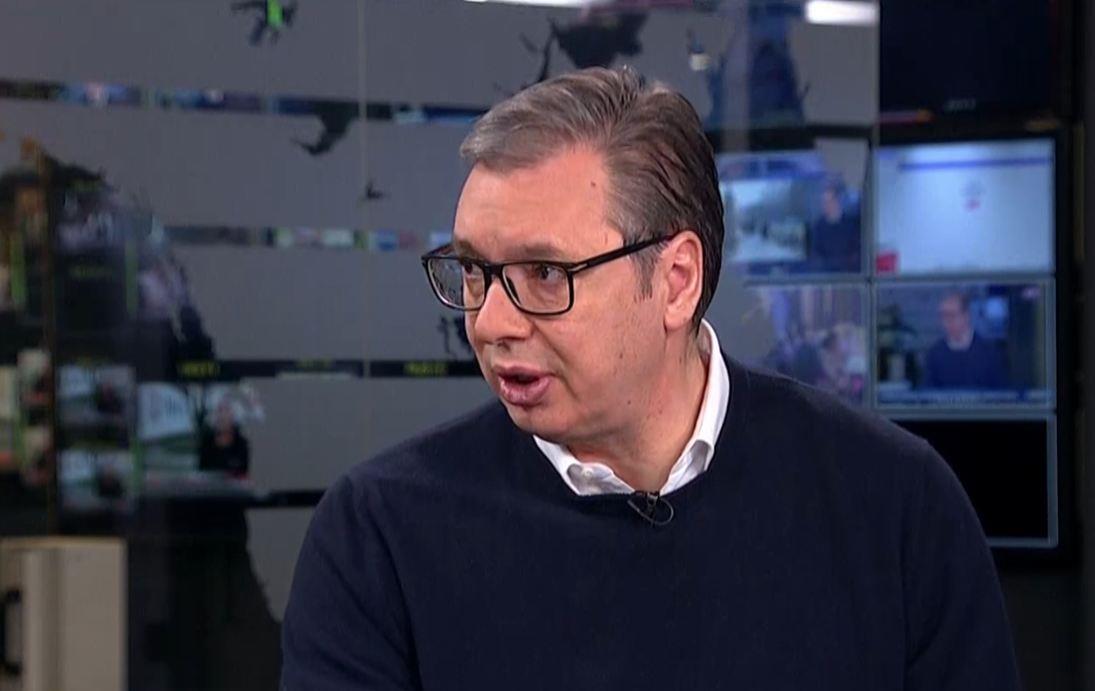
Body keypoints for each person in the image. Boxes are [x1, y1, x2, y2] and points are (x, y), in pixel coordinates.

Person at [282, 67, 1019, 690]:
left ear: (676, 280)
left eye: (545, 274)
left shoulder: (894, 504)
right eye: (474, 271)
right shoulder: (377, 537)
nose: (489, 322)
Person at [922, 292, 1008, 390]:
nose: (946, 322)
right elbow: (928, 393)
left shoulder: (989, 352)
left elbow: (1001, 393)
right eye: (943, 316)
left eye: (951, 315)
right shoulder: (935, 354)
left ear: (966, 316)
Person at [807, 179, 860, 272]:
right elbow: (815, 255)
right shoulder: (818, 227)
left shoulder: (851, 225)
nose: (825, 205)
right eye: (823, 202)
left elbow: (857, 253)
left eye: (829, 201)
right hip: (827, 275)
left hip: (849, 275)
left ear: (837, 201)